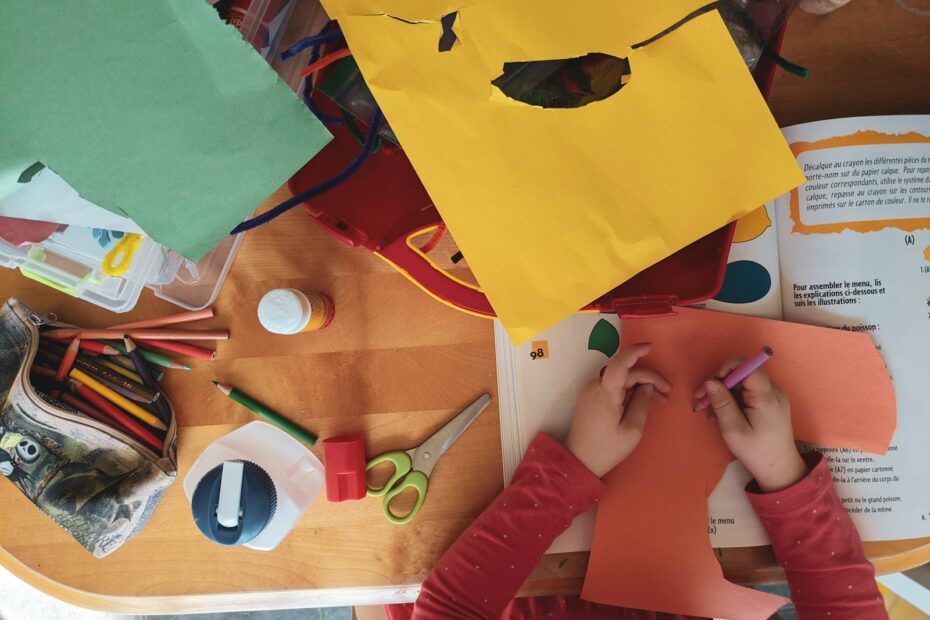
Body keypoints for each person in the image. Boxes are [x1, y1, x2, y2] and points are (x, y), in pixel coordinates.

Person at [387, 343, 886, 619]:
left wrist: (570, 471)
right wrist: (782, 473)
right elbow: (845, 604)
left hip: (510, 588)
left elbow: (451, 606)